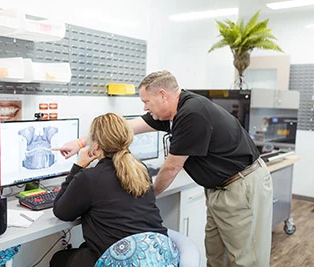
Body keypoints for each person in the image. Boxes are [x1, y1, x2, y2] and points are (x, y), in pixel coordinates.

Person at [55, 71, 273, 267]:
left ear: (163, 95)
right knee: (216, 254)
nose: (144, 107)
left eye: (146, 101)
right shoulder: (170, 114)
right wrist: (81, 142)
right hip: (218, 188)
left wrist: (146, 193)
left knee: (244, 258)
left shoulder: (191, 114)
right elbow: (124, 128)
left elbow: (171, 167)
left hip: (241, 185)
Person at [50, 113, 167, 267]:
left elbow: (61, 211)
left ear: (96, 145)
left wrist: (78, 167)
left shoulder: (90, 177)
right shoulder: (140, 169)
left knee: (60, 259)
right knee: (84, 250)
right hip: (156, 257)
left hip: (124, 261)